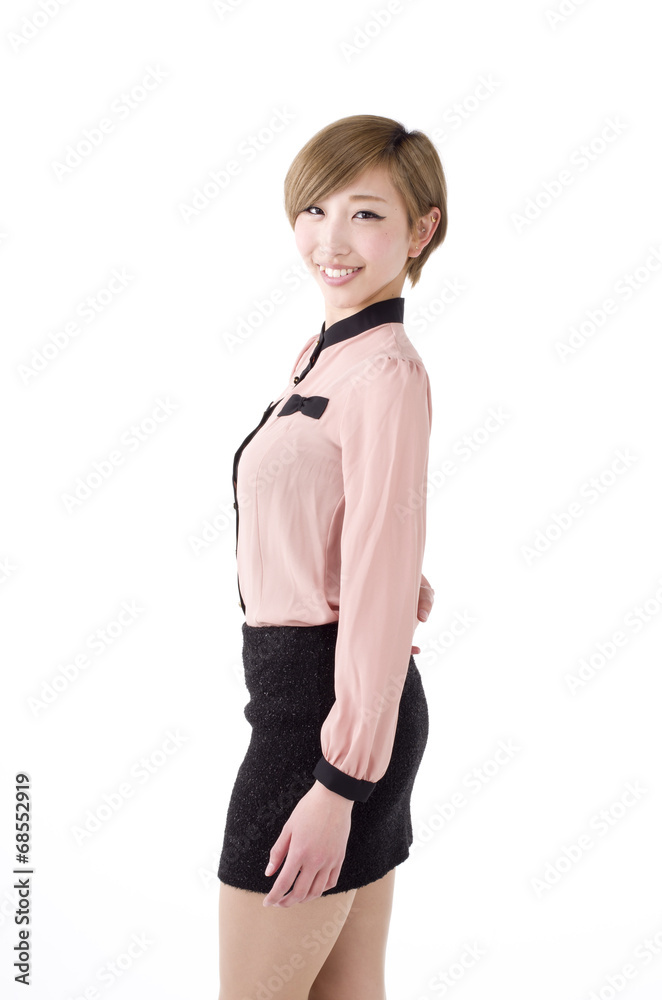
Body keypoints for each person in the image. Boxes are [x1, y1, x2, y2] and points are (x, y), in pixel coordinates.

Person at [216, 113, 447, 1000]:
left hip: (327, 725)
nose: (331, 239)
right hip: (323, 699)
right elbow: (360, 529)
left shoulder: (384, 371)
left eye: (366, 214)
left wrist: (340, 782)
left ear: (421, 230)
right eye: (315, 209)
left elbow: (382, 574)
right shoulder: (324, 354)